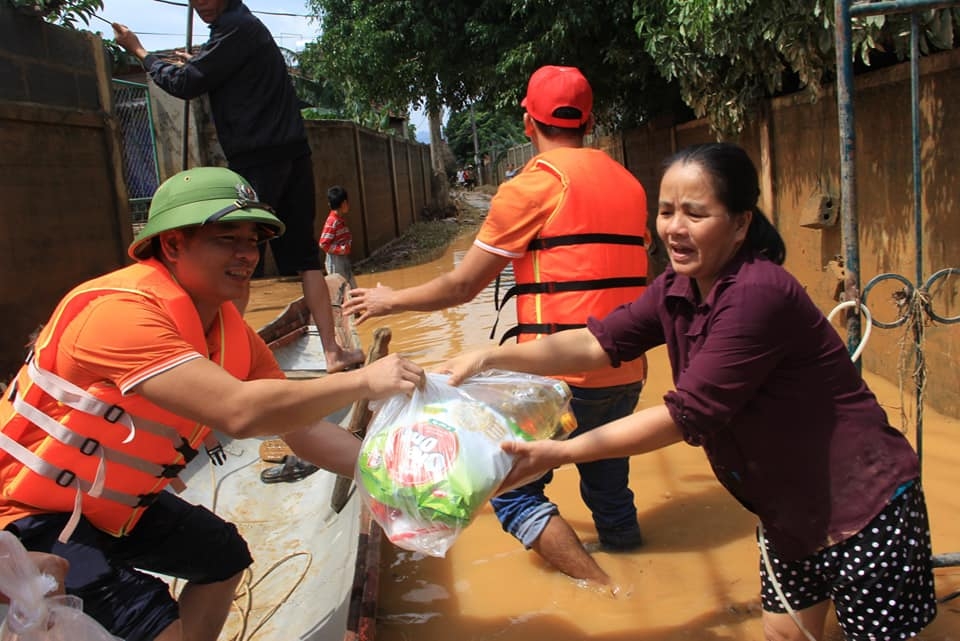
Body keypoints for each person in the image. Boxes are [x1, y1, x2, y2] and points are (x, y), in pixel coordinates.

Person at [442, 142, 937, 641]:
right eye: (666, 212)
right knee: (785, 636)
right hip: (788, 515)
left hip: (864, 508)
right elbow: (597, 342)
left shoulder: (757, 295)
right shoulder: (677, 288)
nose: (675, 228)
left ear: (740, 224)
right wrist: (489, 357)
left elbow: (686, 415)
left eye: (695, 214)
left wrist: (561, 452)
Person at [0, 167, 425, 641]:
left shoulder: (231, 334)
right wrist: (363, 382)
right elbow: (239, 412)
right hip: (26, 514)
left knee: (222, 557)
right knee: (152, 621)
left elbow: (302, 429)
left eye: (253, 241)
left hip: (111, 508)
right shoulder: (118, 313)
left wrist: (402, 478)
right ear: (172, 245)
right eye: (227, 239)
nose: (247, 255)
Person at [343, 65, 650, 586]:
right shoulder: (630, 183)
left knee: (511, 492)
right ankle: (638, 568)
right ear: (589, 121)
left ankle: (605, 590)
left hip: (557, 379)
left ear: (528, 121)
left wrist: (390, 298)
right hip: (626, 370)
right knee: (608, 482)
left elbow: (463, 286)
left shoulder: (533, 186)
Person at [112, 0, 363, 374]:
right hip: (292, 150)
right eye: (194, 0)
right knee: (303, 260)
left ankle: (222, 368)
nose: (200, 5)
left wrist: (139, 51)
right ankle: (332, 352)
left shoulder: (235, 28)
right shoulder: (241, 29)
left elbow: (184, 84)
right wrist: (194, 62)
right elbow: (210, 73)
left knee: (241, 258)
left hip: (258, 158)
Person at [319, 185, 356, 288]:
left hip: (342, 258)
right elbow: (323, 244)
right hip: (335, 261)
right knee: (340, 289)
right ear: (344, 203)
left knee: (351, 287)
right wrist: (341, 249)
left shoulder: (339, 220)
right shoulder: (332, 222)